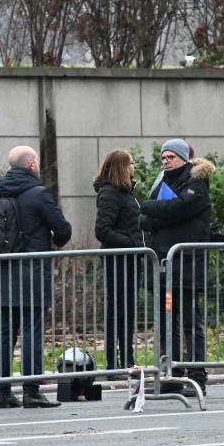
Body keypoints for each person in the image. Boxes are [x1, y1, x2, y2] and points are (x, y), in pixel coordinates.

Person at [0, 146, 72, 409]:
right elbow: (62, 230)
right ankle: (31, 390)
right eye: (36, 161)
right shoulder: (38, 193)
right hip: (34, 273)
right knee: (31, 332)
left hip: (5, 272)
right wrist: (53, 237)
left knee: (5, 333)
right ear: (31, 165)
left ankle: (3, 392)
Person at [138, 139, 214, 397]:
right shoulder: (162, 182)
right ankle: (172, 374)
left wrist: (151, 210)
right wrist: (157, 215)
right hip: (163, 266)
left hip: (187, 266)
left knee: (191, 323)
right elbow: (143, 220)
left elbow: (178, 208)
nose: (165, 161)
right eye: (163, 157)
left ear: (184, 159)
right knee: (166, 323)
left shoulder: (196, 183)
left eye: (171, 157)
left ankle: (197, 376)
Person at [94, 150, 145, 378]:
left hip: (131, 259)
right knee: (117, 311)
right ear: (123, 167)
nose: (135, 167)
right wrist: (132, 243)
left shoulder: (127, 192)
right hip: (119, 259)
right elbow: (102, 230)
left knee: (128, 311)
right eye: (132, 163)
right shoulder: (110, 193)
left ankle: (128, 360)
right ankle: (113, 365)